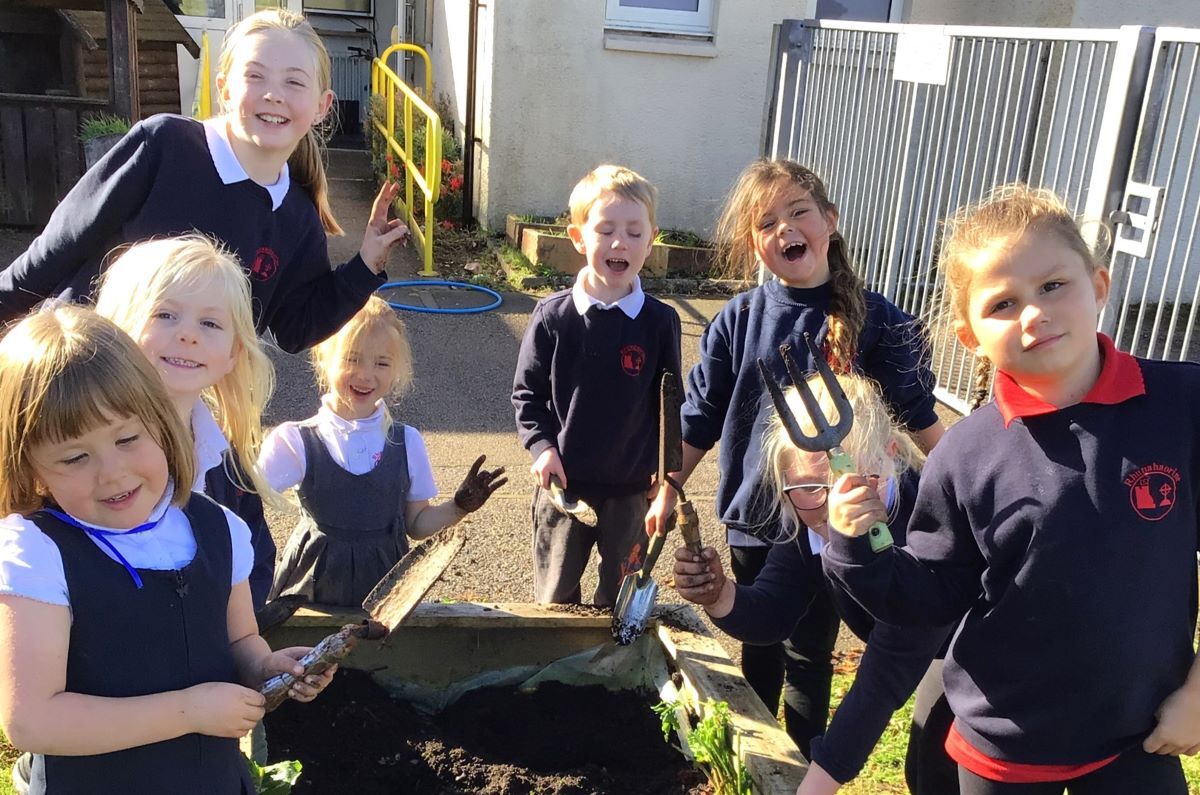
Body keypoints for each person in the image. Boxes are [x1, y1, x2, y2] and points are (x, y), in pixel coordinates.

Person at [823, 184, 1200, 794]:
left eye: (1054, 286)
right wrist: (856, 543)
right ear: (968, 334)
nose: (1034, 313)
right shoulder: (967, 454)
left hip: (1141, 734)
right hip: (1006, 749)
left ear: (1099, 285)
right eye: (1003, 303)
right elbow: (928, 596)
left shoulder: (1181, 407)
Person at [648, 159, 945, 755]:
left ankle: (805, 753)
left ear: (829, 222)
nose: (785, 227)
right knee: (761, 639)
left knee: (810, 653)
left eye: (798, 211)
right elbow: (700, 417)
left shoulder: (882, 322)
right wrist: (669, 486)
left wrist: (966, 491)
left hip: (836, 524)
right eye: (766, 222)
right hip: (758, 519)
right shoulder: (738, 319)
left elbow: (919, 422)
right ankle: (762, 756)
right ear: (755, 244)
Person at [0, 305, 333, 794]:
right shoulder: (37, 552)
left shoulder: (217, 526)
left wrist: (268, 668)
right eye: (75, 457)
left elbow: (240, 641)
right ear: (28, 465)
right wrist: (189, 710)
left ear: (160, 421)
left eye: (128, 438)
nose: (112, 473)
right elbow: (33, 721)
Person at [0, 9, 409, 354]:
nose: (273, 94)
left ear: (322, 107)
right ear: (224, 88)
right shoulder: (164, 145)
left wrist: (366, 264)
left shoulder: (298, 219)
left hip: (174, 417)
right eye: (256, 76)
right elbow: (49, 256)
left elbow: (295, 328)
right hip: (77, 380)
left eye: (294, 81)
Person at [672, 370, 956, 794]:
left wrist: (816, 783)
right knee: (927, 772)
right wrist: (719, 595)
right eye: (807, 487)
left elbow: (883, 676)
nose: (831, 507)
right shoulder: (811, 524)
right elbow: (771, 614)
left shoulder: (928, 527)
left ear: (890, 455)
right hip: (929, 653)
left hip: (995, 644)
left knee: (948, 771)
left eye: (854, 483)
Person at [511, 164, 682, 606]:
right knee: (555, 597)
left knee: (621, 598)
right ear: (578, 237)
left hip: (631, 492)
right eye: (605, 230)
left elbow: (669, 407)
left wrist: (667, 481)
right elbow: (527, 396)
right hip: (564, 488)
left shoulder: (660, 322)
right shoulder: (553, 317)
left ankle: (610, 673)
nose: (619, 242)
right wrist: (541, 448)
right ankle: (555, 671)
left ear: (651, 238)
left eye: (633, 231)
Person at [263, 296, 505, 606]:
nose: (366, 375)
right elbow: (242, 504)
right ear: (324, 358)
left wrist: (458, 507)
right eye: (352, 359)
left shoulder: (407, 442)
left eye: (382, 363)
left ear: (397, 370)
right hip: (311, 590)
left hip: (385, 594)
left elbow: (416, 525)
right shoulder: (295, 441)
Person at [93, 235, 282, 614]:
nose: (188, 334)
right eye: (165, 314)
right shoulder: (83, 450)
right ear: (114, 327)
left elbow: (255, 563)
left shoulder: (230, 468)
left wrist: (235, 647)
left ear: (234, 354)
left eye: (210, 323)